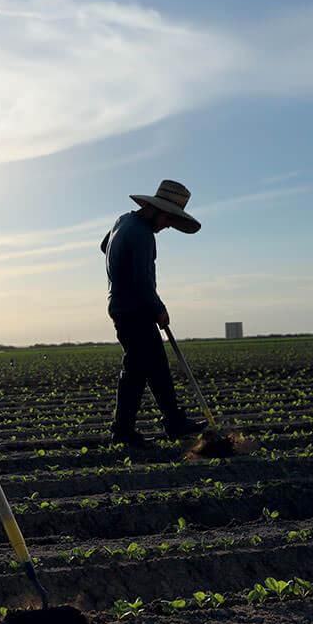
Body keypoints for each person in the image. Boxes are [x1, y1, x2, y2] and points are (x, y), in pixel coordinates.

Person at [100, 180, 208, 448]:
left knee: (154, 367)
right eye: (168, 218)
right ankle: (124, 431)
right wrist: (158, 308)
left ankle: (172, 420)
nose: (169, 225)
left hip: (122, 306)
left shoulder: (122, 220)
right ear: (155, 209)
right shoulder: (143, 234)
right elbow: (143, 279)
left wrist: (118, 266)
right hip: (135, 309)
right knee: (137, 371)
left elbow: (104, 247)